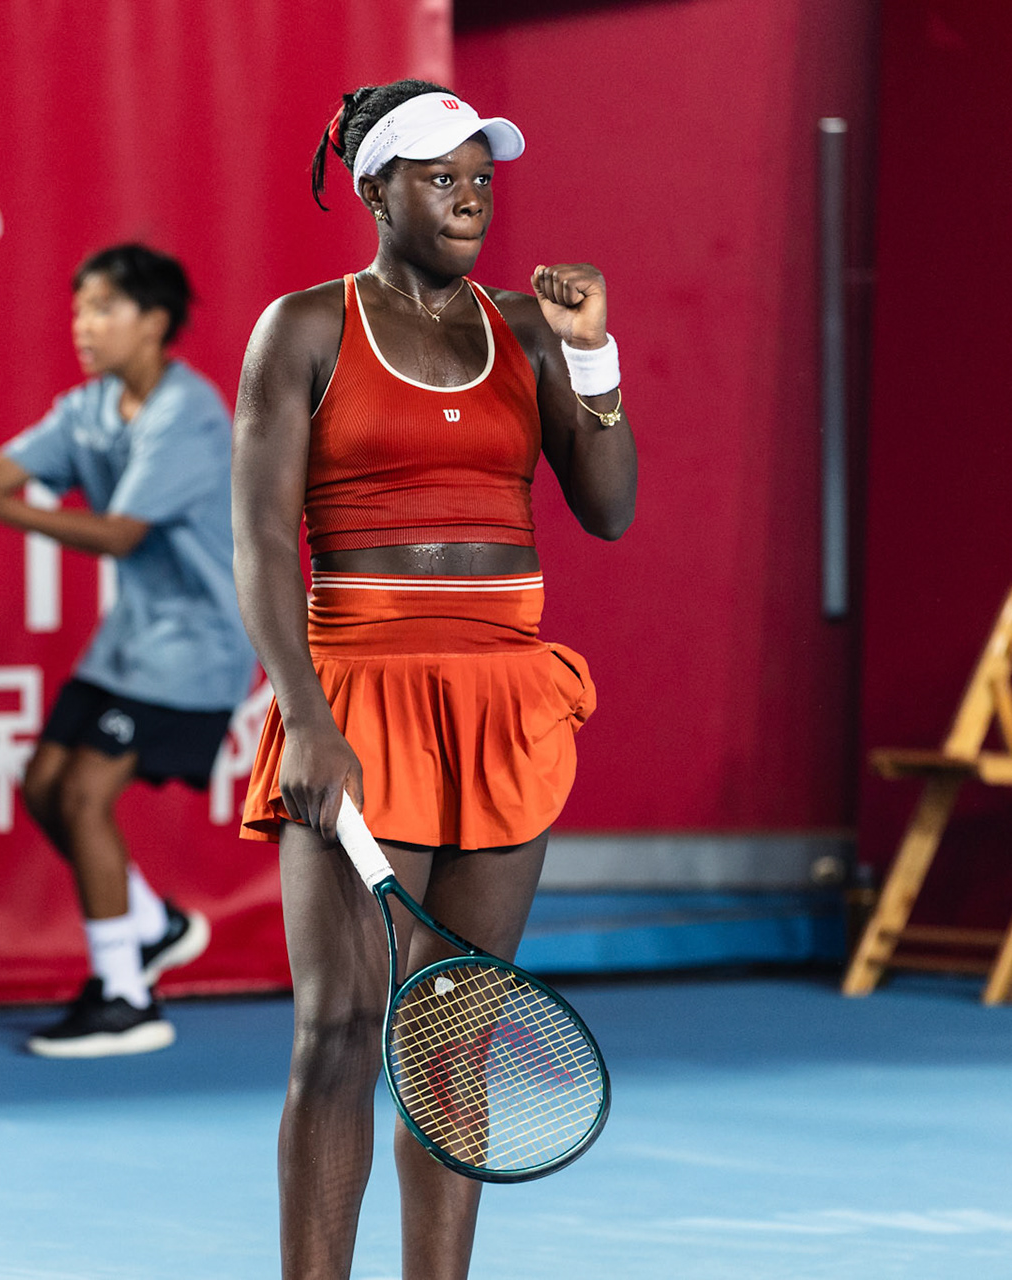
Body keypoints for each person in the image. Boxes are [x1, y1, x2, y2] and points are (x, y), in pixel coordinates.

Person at [231, 81, 638, 1278]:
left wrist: (592, 354)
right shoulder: (304, 329)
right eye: (438, 173)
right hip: (356, 698)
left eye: (481, 175)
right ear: (375, 187)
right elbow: (260, 540)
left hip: (504, 701)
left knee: (455, 1036)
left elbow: (608, 508)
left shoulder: (527, 327)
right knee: (343, 1031)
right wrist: (303, 715)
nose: (469, 194)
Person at [0, 243, 255, 1058]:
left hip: (198, 645)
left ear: (155, 322)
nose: (85, 325)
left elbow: (116, 533)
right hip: (132, 641)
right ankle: (151, 923)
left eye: (104, 308)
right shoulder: (88, 410)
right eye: (79, 309)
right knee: (42, 786)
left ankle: (127, 998)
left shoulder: (189, 415)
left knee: (85, 796)